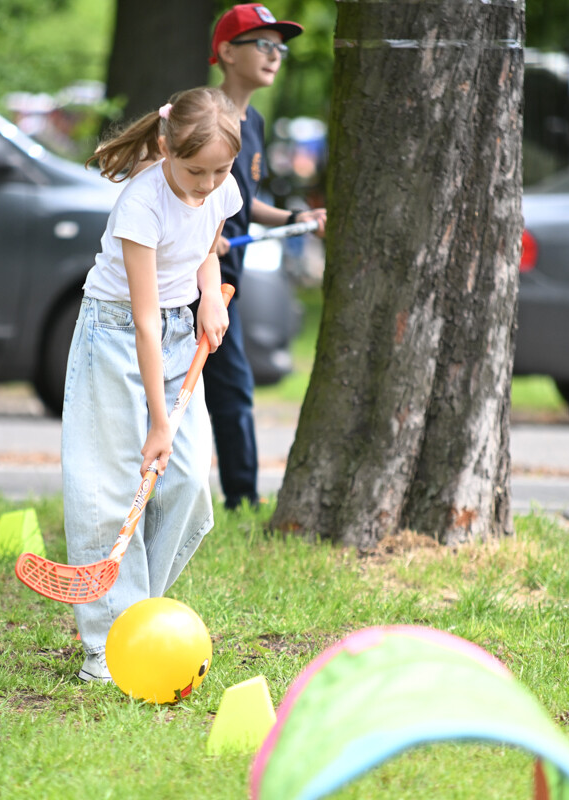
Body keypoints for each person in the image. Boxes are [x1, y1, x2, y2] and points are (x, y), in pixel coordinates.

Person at [65, 87, 243, 682]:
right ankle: (107, 647)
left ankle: (137, 614)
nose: (207, 184)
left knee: (189, 478)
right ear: (166, 147)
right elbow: (141, 317)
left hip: (178, 329)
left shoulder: (220, 185)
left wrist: (209, 298)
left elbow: (205, 243)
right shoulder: (141, 203)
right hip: (116, 334)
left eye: (220, 170)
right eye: (195, 171)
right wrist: (159, 422)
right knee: (108, 487)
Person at [207, 3, 327, 510]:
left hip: (227, 280)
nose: (275, 55)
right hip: (195, 281)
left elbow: (242, 199)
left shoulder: (252, 121)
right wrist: (199, 237)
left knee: (220, 388)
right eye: (264, 44)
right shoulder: (204, 114)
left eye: (280, 47)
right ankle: (242, 501)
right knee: (230, 388)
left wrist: (294, 220)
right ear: (227, 52)